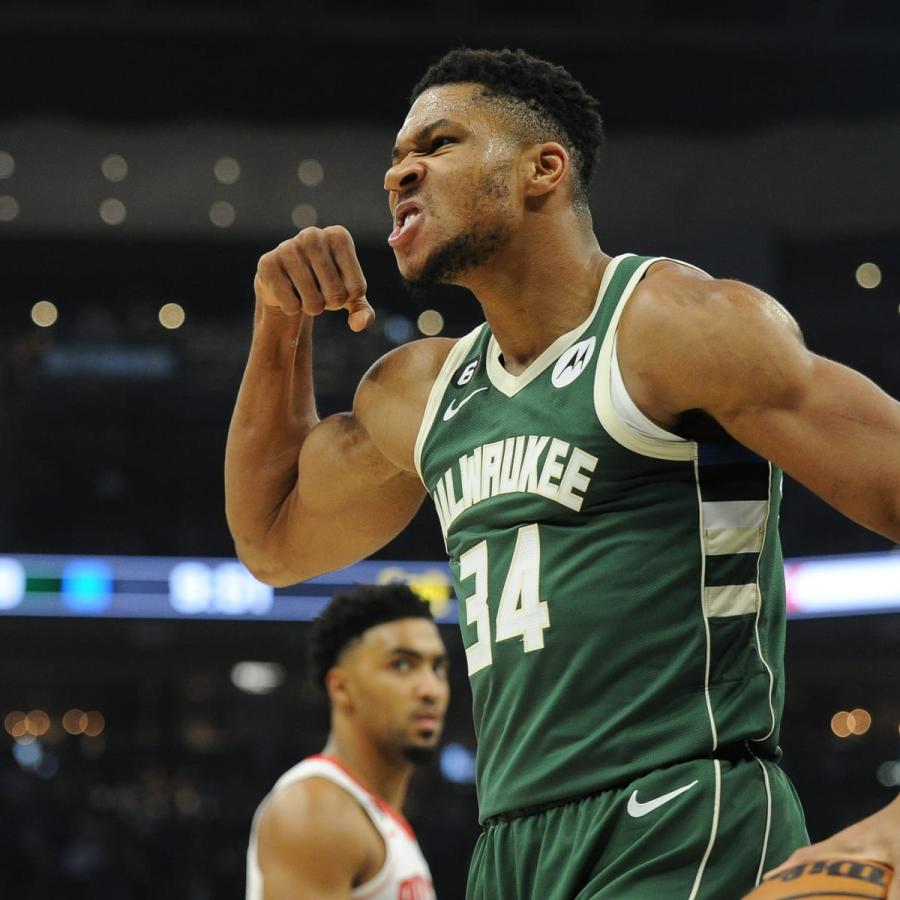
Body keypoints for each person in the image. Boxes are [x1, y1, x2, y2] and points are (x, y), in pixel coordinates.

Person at [226, 47, 900, 899]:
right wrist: (279, 322)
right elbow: (273, 540)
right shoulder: (421, 391)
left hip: (679, 818)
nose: (400, 173)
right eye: (396, 158)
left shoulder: (676, 327)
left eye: (438, 144)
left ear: (543, 170)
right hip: (512, 849)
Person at [245, 584, 449, 899]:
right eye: (402, 664)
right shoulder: (317, 811)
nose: (431, 689)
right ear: (341, 688)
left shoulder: (372, 814)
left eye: (437, 667)